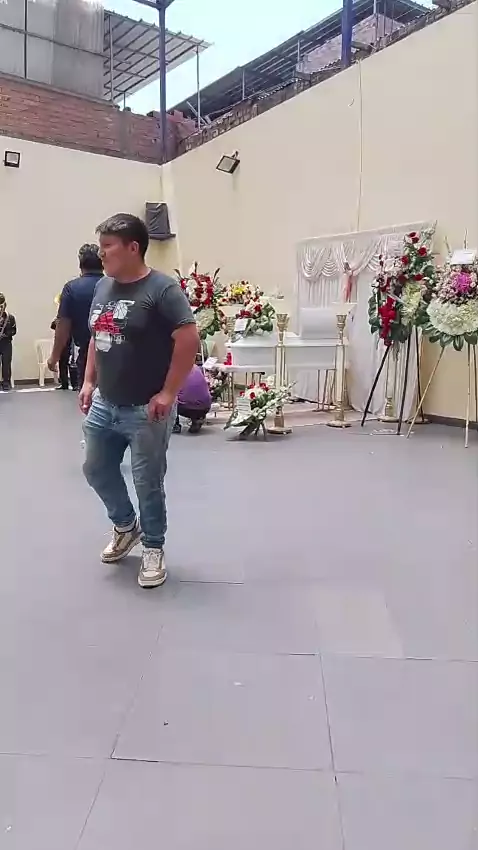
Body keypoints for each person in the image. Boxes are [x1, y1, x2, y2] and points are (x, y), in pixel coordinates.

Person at [80, 213, 199, 589]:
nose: (102, 254)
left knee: (148, 481)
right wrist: (88, 381)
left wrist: (168, 393)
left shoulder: (162, 290)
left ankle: (153, 546)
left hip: (146, 409)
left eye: (108, 247)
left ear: (133, 248)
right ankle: (125, 525)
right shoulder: (103, 287)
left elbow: (188, 340)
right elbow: (98, 336)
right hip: (106, 402)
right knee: (96, 468)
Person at [48, 244, 103, 388]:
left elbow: (63, 326)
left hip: (86, 354)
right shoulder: (114, 284)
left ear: (80, 263)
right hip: (115, 354)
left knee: (88, 396)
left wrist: (54, 357)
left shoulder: (71, 288)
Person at [173, 364, 212, 434]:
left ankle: (175, 425)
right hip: (205, 406)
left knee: (169, 396)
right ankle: (196, 419)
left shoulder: (174, 368)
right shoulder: (197, 368)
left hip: (185, 407)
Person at [50, 316, 77, 390]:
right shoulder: (60, 318)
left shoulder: (73, 319)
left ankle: (75, 384)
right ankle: (64, 384)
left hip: (71, 342)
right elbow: (52, 326)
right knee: (62, 363)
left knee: (72, 363)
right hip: (62, 344)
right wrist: (58, 321)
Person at [0, 294, 17, 391]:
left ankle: (6, 383)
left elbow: (14, 330)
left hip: (6, 343)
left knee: (6, 363)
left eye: (1, 305)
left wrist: (6, 334)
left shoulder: (10, 317)